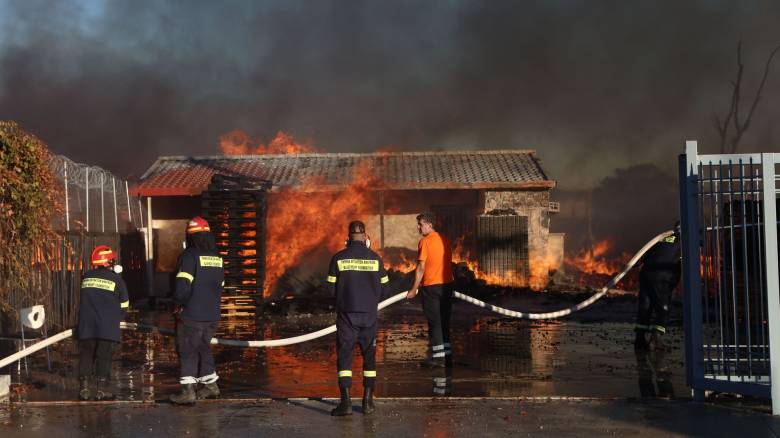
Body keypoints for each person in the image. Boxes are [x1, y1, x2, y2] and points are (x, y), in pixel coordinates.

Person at [325, 220, 389, 416]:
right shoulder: (376, 259)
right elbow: (386, 289)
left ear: (348, 238)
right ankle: (368, 402)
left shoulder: (338, 258)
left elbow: (330, 290)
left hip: (347, 317)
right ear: (366, 238)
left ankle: (345, 403)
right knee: (369, 357)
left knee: (345, 357)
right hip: (369, 317)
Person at [170, 216, 225, 405]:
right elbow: (220, 285)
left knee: (187, 349)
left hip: (192, 314)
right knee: (203, 347)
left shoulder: (189, 256)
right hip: (212, 315)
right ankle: (211, 386)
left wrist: (179, 304)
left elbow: (182, 287)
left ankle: (188, 392)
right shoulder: (217, 258)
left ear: (191, 237)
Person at [77, 245, 129, 401]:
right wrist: (117, 318)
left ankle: (84, 389)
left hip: (86, 326)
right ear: (107, 262)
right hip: (106, 327)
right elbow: (125, 303)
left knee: (86, 356)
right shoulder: (116, 279)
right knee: (103, 357)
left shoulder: (86, 277)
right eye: (112, 260)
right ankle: (102, 390)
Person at [406, 212, 455, 368]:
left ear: (430, 225)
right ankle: (447, 357)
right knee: (444, 321)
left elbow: (421, 267)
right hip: (447, 286)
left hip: (431, 287)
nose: (418, 227)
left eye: (420, 224)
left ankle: (439, 359)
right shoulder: (445, 240)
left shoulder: (425, 242)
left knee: (435, 323)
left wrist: (413, 289)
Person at [634, 221, 682, 351]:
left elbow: (644, 255)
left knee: (645, 306)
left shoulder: (663, 238)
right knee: (663, 308)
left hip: (646, 273)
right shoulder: (685, 241)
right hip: (661, 275)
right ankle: (655, 339)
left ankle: (639, 339)